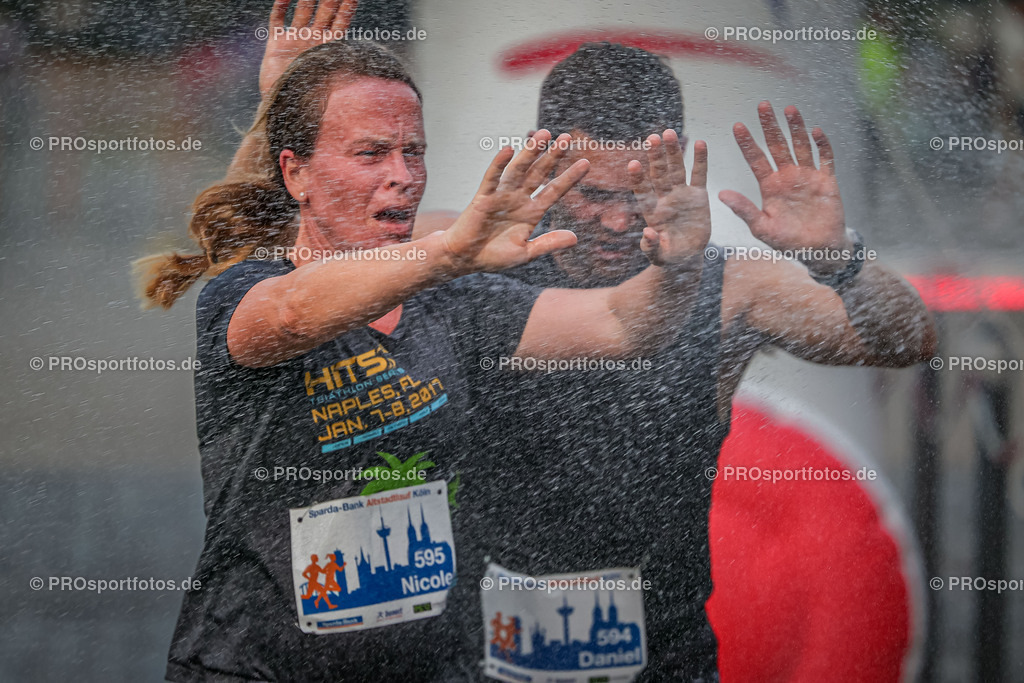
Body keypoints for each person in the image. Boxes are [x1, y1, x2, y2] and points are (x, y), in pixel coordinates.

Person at [135, 4, 716, 681]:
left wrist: (681, 264)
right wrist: (447, 253)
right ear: (295, 173)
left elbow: (624, 326)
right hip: (259, 666)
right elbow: (293, 314)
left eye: (414, 152)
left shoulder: (455, 303)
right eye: (371, 153)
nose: (404, 175)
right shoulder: (248, 292)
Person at [417, 43, 936, 682]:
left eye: (637, 195)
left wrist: (839, 260)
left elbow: (906, 342)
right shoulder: (458, 255)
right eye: (591, 193)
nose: (612, 220)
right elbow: (291, 266)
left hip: (666, 663)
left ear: (674, 164)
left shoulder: (732, 290)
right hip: (473, 661)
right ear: (544, 154)